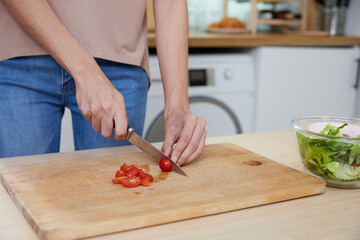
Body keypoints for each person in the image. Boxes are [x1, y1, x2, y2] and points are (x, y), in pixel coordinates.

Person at [0, 0, 207, 166]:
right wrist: (86, 72)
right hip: (19, 54)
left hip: (120, 59)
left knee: (113, 203)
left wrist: (177, 108)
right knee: (21, 196)